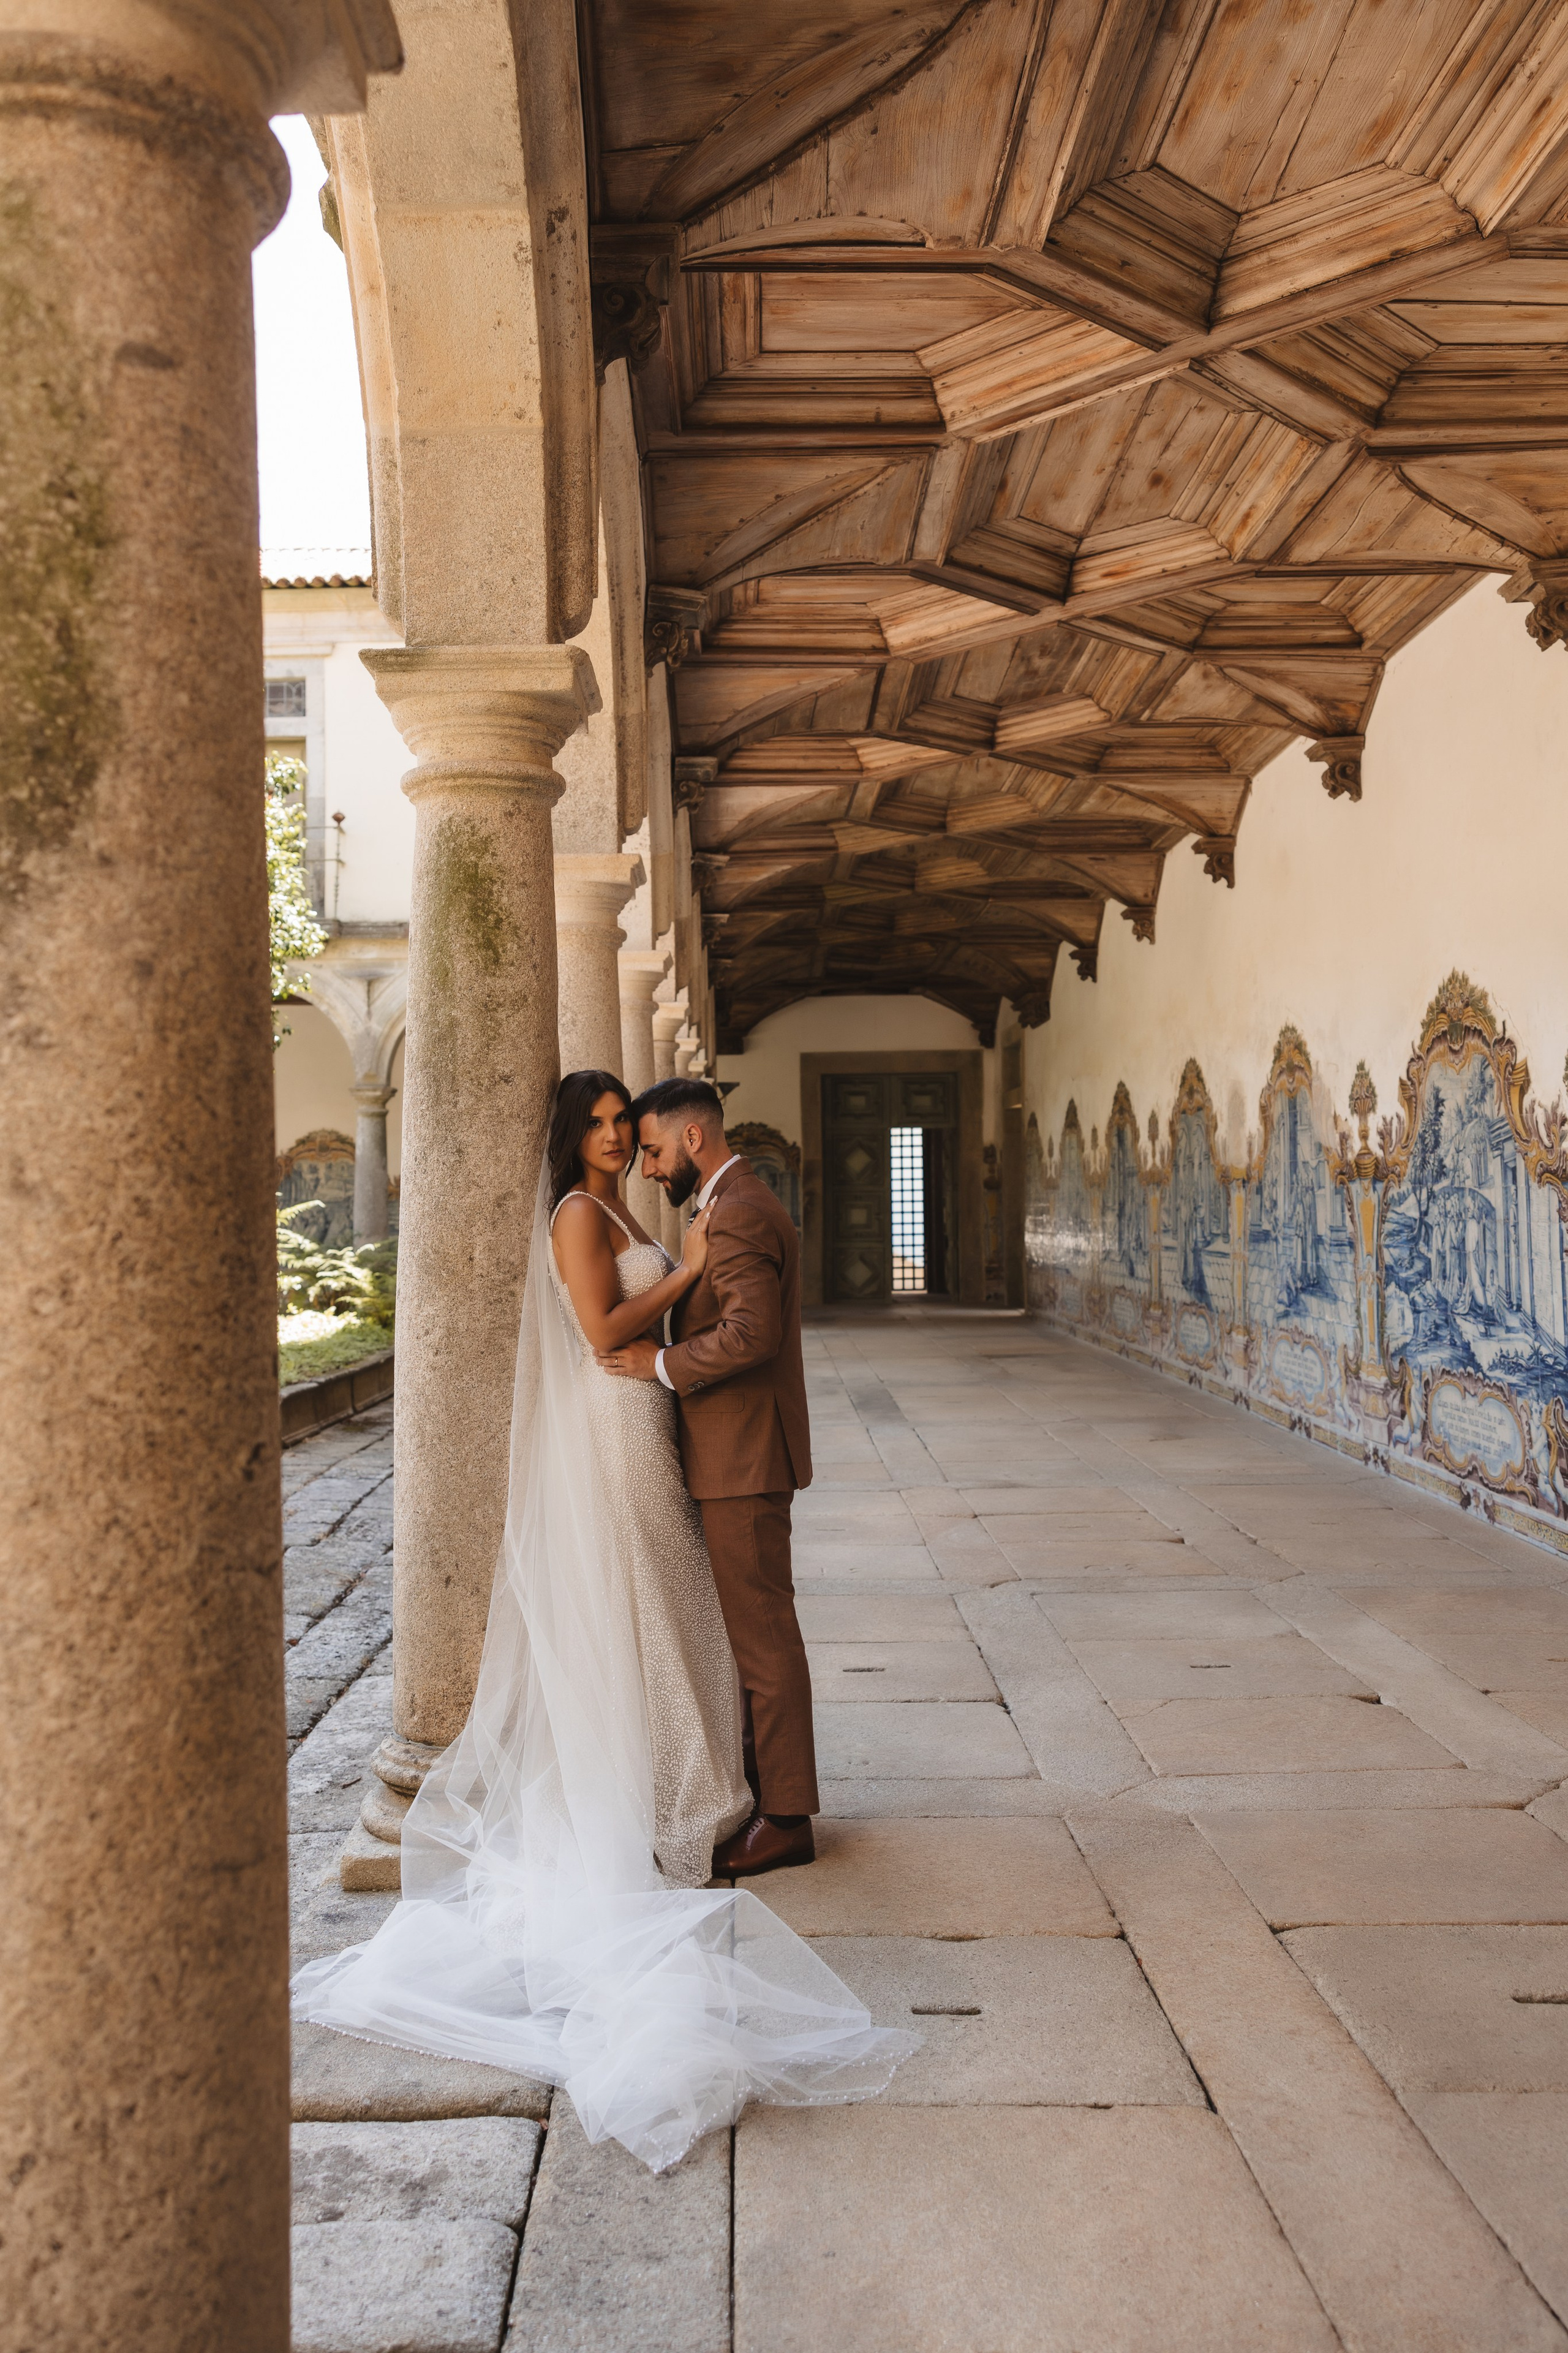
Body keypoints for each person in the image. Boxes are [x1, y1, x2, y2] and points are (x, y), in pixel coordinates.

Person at [290, 1070, 915, 2171]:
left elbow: (720, 1327)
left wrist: (668, 1325)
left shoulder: (668, 1208)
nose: (626, 1140)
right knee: (666, 1607)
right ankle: (704, 1790)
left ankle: (738, 1791)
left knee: (695, 1615)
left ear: (668, 1131)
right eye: (606, 1124)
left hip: (661, 1414)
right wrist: (671, 1297)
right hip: (625, 1421)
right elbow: (595, 1328)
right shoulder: (587, 1215)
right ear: (574, 1135)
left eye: (632, 1125)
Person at [599, 1076, 818, 1877]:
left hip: (743, 1459)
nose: (649, 1168)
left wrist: (657, 1362)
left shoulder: (740, 1212)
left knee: (762, 1640)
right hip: (734, 1454)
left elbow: (752, 1333)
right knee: (751, 1636)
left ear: (693, 1139)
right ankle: (767, 1792)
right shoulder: (729, 1205)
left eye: (653, 1149)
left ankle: (788, 1817)